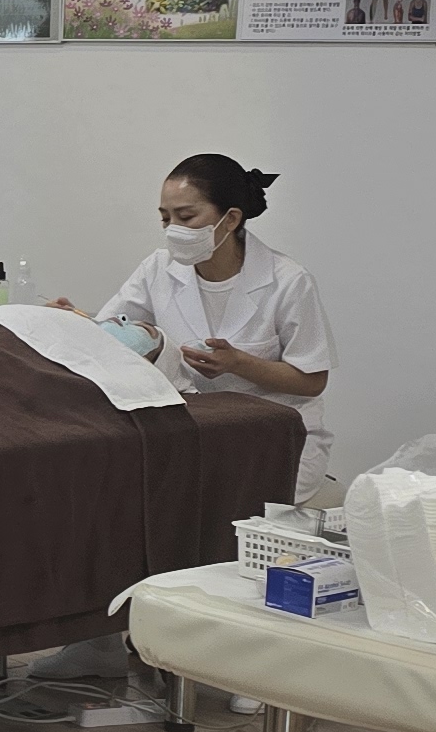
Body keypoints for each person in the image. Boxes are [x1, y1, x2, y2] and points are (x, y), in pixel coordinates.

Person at [69, 151, 336, 498]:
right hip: (195, 431)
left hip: (277, 439)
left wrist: (239, 363)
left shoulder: (288, 281)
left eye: (186, 217)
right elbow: (111, 332)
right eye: (165, 219)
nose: (173, 230)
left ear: (231, 219)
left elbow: (312, 380)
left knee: (237, 510)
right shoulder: (158, 268)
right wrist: (72, 319)